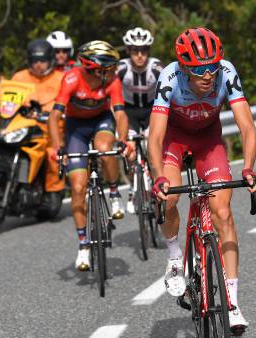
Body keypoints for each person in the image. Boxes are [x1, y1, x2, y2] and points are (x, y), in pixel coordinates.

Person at [148, 27, 256, 333]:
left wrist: (249, 168)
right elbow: (155, 135)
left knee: (223, 212)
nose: (208, 75)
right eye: (199, 69)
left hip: (208, 140)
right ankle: (175, 258)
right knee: (169, 197)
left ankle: (232, 302)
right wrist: (159, 177)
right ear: (184, 68)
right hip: (173, 140)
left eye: (212, 67)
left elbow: (247, 127)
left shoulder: (226, 73)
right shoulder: (169, 77)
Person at [48, 40, 133, 271]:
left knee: (106, 149)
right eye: (110, 68)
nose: (114, 72)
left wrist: (123, 140)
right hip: (76, 128)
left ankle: (114, 191)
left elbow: (121, 115)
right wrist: (57, 147)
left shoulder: (112, 82)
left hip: (101, 121)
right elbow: (54, 117)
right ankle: (84, 245)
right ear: (95, 67)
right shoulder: (72, 79)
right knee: (77, 187)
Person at [10, 39, 66, 207]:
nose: (39, 65)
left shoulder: (60, 78)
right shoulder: (20, 76)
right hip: (22, 128)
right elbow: (6, 95)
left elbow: (71, 101)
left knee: (53, 155)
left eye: (42, 61)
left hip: (50, 132)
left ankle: (53, 190)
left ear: (50, 60)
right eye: (35, 61)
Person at [117, 27, 163, 213]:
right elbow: (110, 92)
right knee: (130, 152)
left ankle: (155, 181)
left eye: (143, 50)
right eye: (135, 51)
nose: (139, 55)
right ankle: (132, 187)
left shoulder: (156, 67)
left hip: (152, 111)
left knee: (152, 149)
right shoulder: (121, 68)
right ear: (128, 51)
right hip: (130, 113)